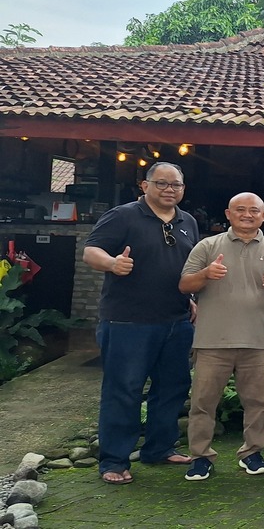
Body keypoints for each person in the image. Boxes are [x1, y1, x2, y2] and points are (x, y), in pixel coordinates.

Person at [83, 162, 199, 485]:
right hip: (127, 322)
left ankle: (159, 448)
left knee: (173, 388)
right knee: (124, 390)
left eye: (175, 185)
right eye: (161, 183)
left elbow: (185, 267)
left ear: (183, 190)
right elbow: (90, 252)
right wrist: (113, 263)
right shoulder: (123, 216)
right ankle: (114, 460)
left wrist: (190, 300)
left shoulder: (187, 221)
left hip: (176, 321)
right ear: (145, 186)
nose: (169, 190)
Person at [179, 192, 264, 480]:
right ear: (228, 214)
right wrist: (206, 273)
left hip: (255, 340)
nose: (247, 214)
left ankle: (252, 452)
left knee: (258, 402)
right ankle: (200, 456)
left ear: (263, 216)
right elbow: (184, 284)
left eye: (254, 210)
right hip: (211, 341)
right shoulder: (207, 246)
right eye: (240, 209)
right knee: (203, 402)